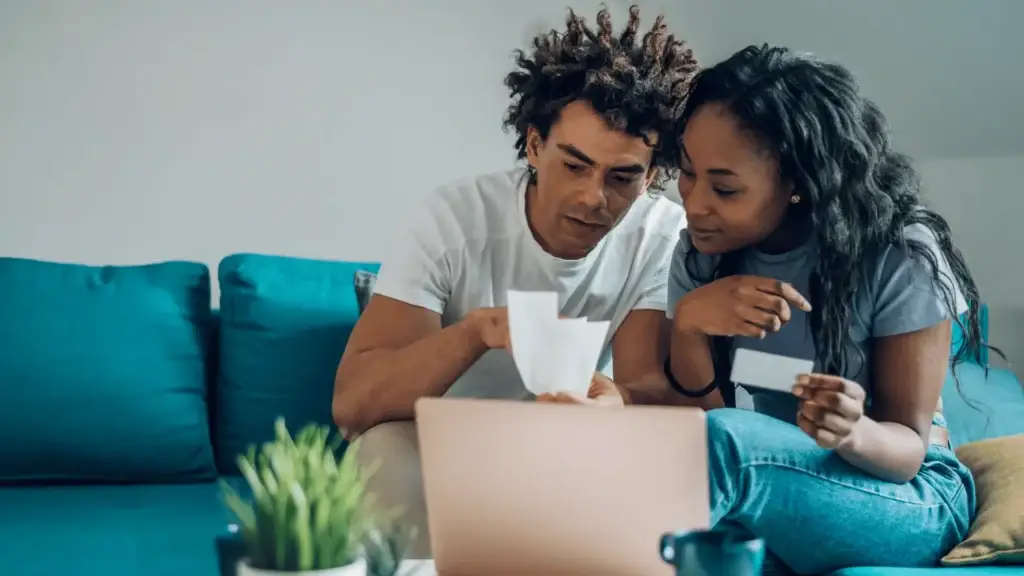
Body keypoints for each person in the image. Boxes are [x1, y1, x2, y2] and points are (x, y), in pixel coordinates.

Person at [545, 44, 986, 574]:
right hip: (767, 493)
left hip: (903, 499)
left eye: (725, 188)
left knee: (718, 445)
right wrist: (688, 327)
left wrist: (852, 430)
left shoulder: (898, 254)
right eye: (687, 173)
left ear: (798, 185)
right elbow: (699, 440)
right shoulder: (701, 254)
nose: (694, 202)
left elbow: (908, 450)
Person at [332, 6, 699, 557]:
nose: (592, 198)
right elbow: (354, 405)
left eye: (622, 178)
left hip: (563, 449)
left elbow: (646, 382)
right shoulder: (452, 220)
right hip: (435, 443)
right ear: (534, 146)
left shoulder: (663, 233)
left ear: (651, 177)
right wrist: (477, 331)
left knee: (659, 460)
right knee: (378, 449)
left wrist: (617, 402)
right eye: (574, 165)